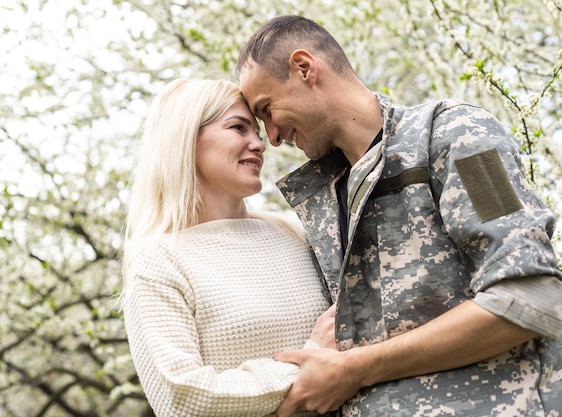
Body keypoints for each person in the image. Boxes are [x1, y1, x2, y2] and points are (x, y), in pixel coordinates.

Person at [236, 15, 562, 417]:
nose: (271, 136)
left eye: (267, 110)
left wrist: (355, 370)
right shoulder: (320, 201)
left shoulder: (460, 133)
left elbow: (531, 295)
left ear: (304, 68)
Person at [121, 77, 333, 417]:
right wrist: (309, 361)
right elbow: (182, 398)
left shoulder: (297, 233)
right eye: (238, 128)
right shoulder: (159, 261)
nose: (259, 145)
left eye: (258, 134)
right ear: (186, 139)